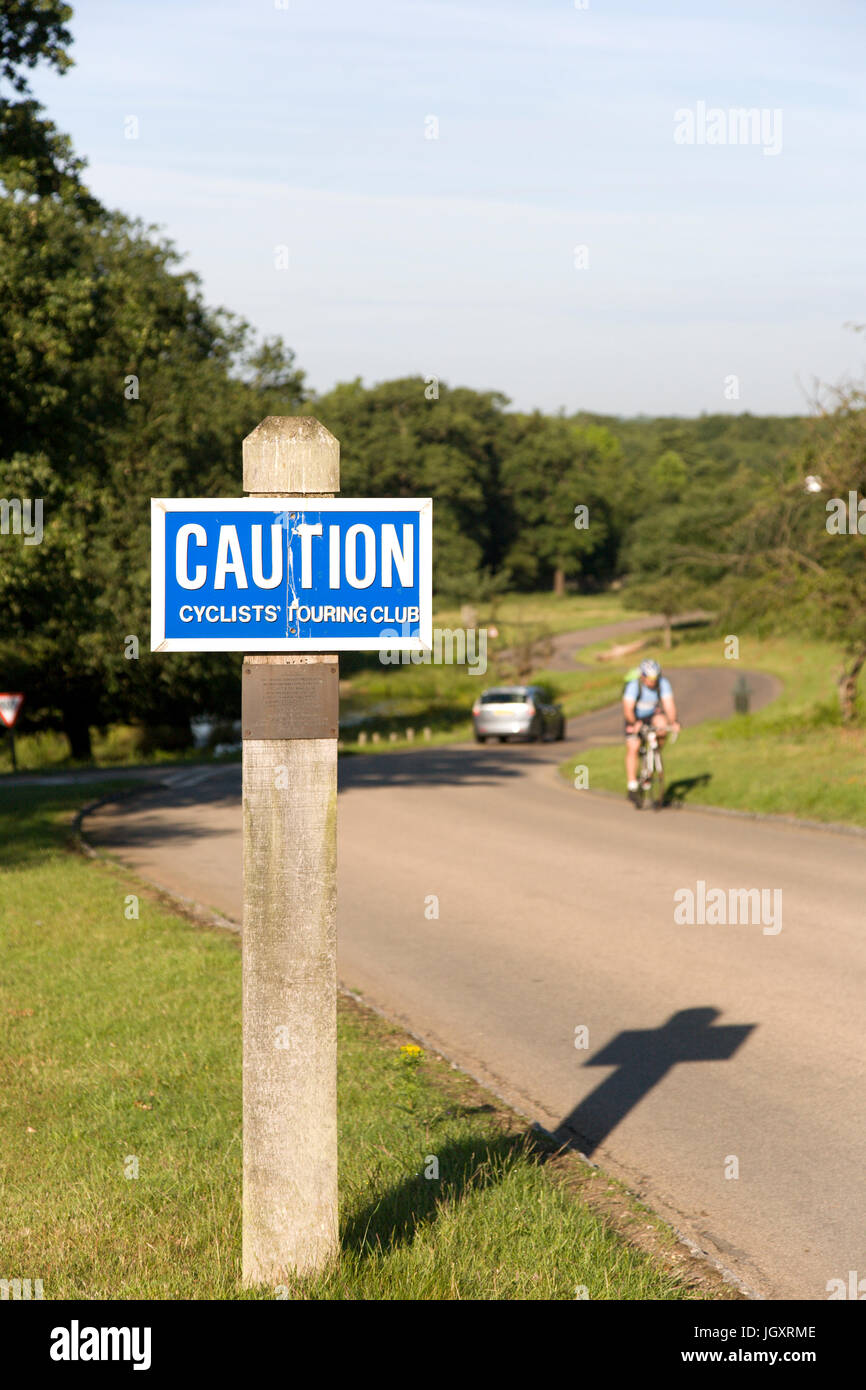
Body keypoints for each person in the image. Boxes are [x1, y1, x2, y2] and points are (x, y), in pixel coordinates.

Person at [623, 658, 680, 805]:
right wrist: (634, 723)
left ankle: (654, 755)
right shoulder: (634, 686)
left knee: (662, 725)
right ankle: (632, 785)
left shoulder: (663, 684)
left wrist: (673, 722)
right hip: (634, 717)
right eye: (649, 678)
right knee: (633, 747)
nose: (652, 681)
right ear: (642, 676)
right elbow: (628, 709)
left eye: (655, 678)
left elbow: (669, 705)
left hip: (652, 715)